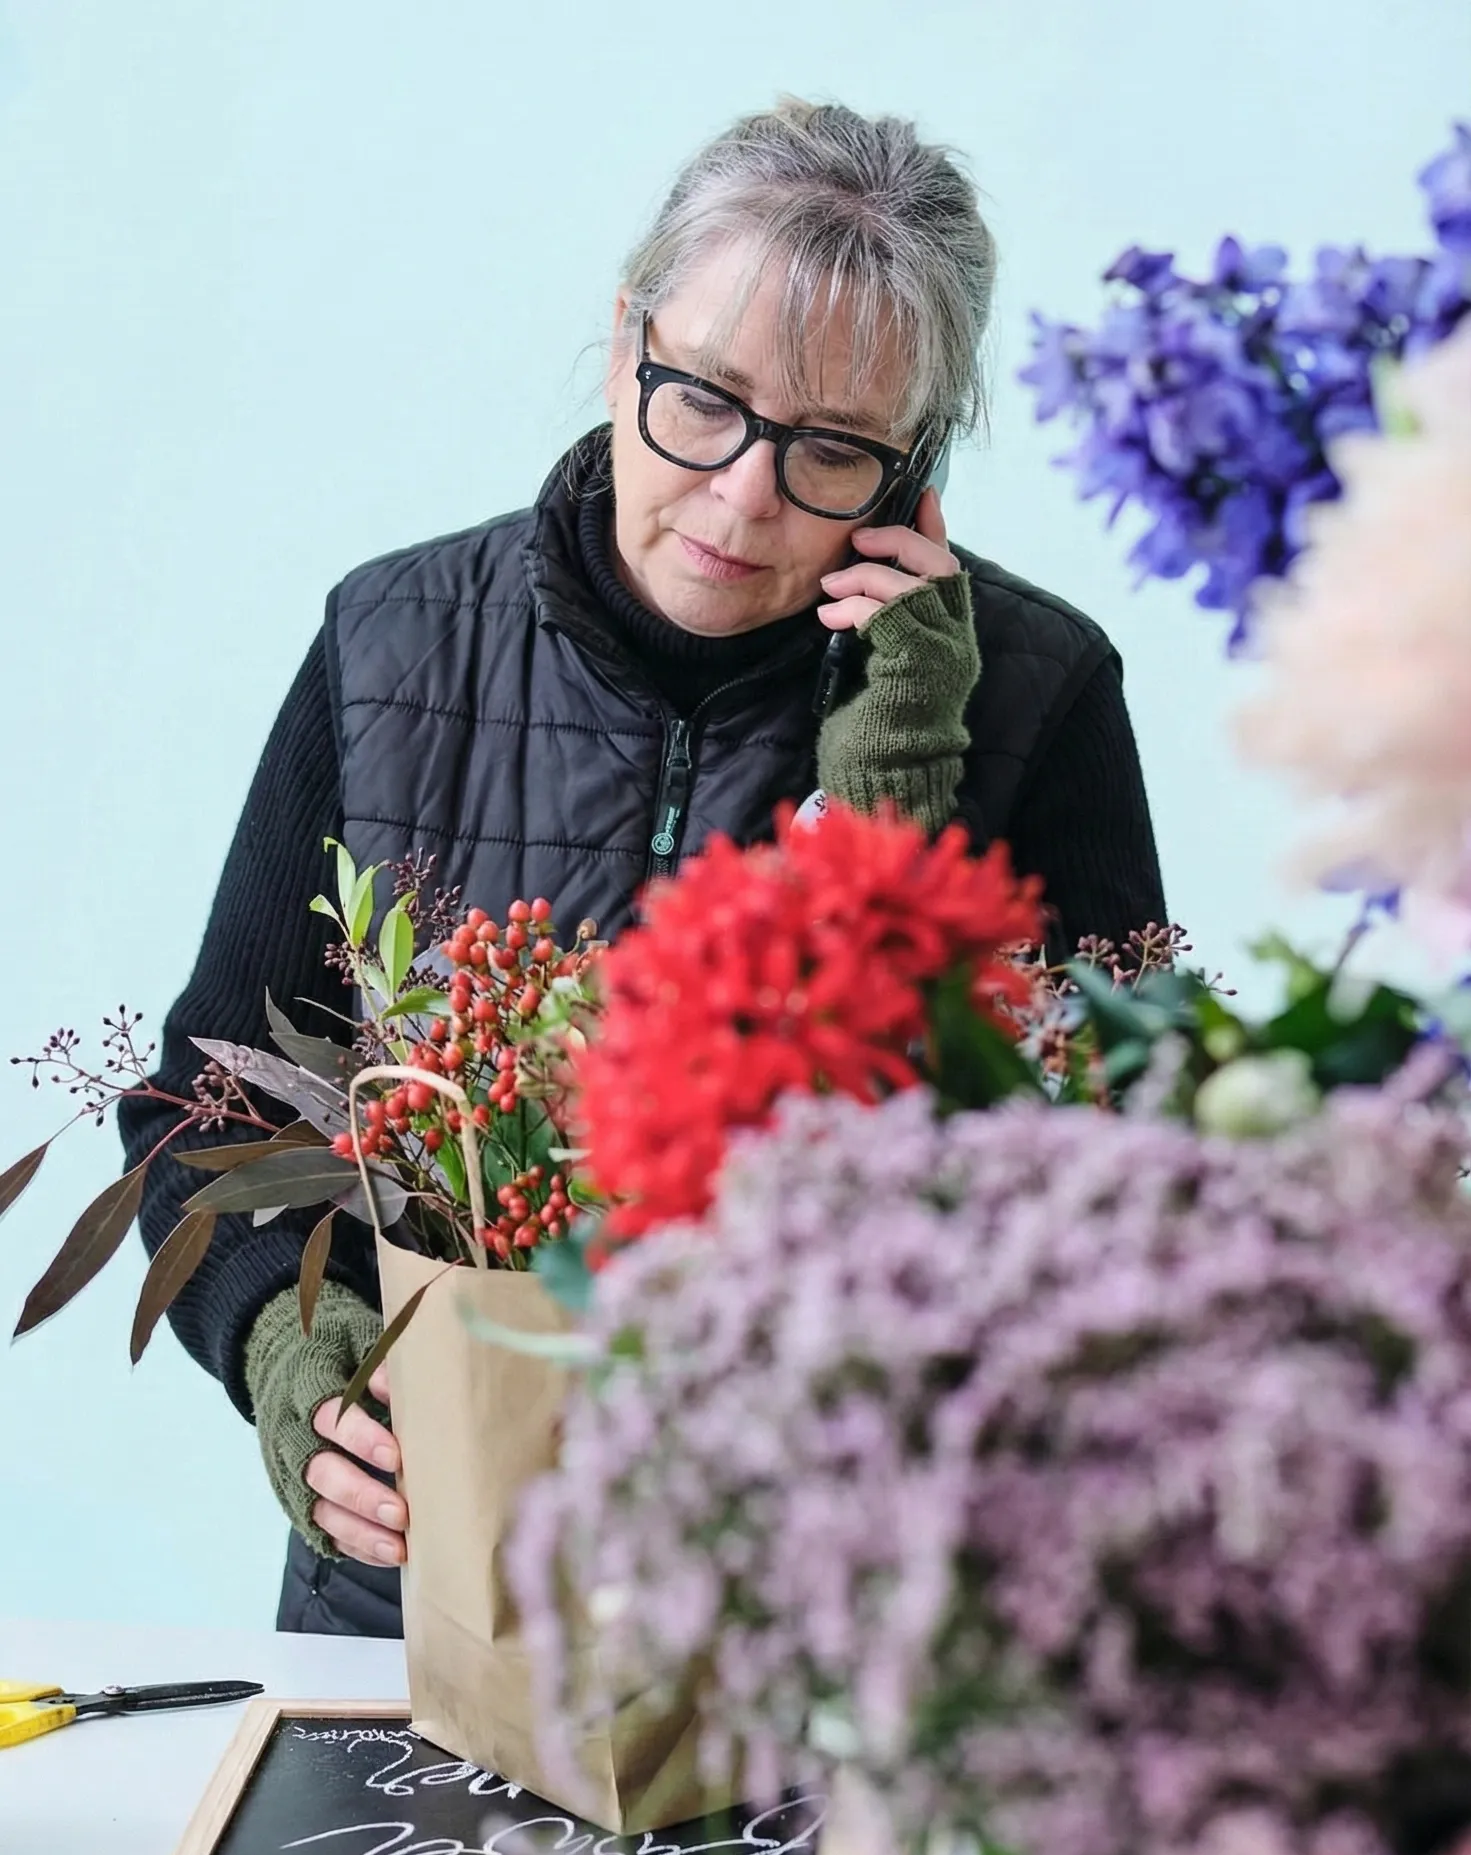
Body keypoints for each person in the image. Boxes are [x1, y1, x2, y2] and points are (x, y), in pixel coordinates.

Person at [117, 97, 1166, 1637]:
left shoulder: (1035, 690)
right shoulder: (392, 640)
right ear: (624, 342)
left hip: (839, 1639)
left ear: (914, 465)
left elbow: (1126, 1188)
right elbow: (197, 1122)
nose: (743, 496)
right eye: (704, 400)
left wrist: (897, 793)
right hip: (426, 1600)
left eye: (832, 452)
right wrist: (291, 1350)